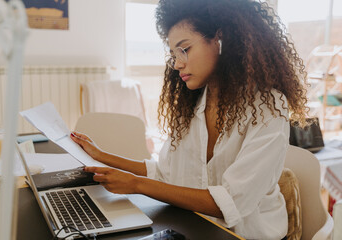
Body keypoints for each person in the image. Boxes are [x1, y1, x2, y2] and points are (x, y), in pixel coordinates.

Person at [71, 0, 309, 239]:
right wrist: (101, 156)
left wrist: (135, 184)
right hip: (199, 227)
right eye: (173, 54)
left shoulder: (268, 106)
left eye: (184, 49)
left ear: (221, 38)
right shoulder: (194, 103)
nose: (177, 64)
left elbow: (229, 202)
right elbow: (164, 173)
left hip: (248, 235)